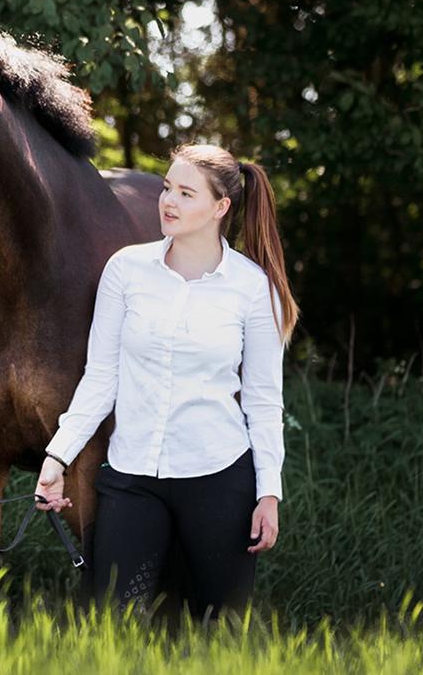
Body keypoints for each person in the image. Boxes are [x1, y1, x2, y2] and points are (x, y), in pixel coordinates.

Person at [34, 143, 300, 620]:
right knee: (111, 625)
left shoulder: (252, 287)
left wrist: (269, 493)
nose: (167, 201)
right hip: (132, 479)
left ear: (221, 207)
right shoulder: (125, 270)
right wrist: (58, 455)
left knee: (217, 633)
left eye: (185, 192)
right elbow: (102, 376)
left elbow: (263, 401)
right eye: (166, 188)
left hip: (220, 479)